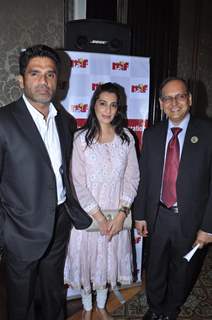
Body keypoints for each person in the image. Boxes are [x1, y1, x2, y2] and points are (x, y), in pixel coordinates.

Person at [0, 44, 92, 320]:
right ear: (21, 80)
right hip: (20, 229)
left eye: (50, 74)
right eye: (35, 73)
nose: (43, 81)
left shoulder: (66, 121)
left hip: (60, 221)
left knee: (53, 294)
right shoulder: (3, 121)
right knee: (21, 302)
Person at [134, 77, 212, 320]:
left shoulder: (208, 132)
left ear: (189, 99)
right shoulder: (152, 134)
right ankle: (156, 308)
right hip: (158, 215)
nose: (174, 102)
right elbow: (144, 177)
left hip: (191, 220)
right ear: (160, 103)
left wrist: (208, 227)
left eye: (180, 96)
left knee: (183, 270)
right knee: (155, 266)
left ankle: (170, 311)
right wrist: (139, 215)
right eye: (167, 98)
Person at [64, 82, 140, 320]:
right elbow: (77, 182)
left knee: (108, 262)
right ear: (94, 105)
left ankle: (101, 305)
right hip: (89, 217)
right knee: (88, 261)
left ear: (119, 109)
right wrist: (98, 217)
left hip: (117, 215)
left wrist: (120, 215)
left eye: (113, 105)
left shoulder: (126, 138)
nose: (107, 110)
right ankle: (87, 308)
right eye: (103, 103)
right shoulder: (79, 139)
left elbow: (133, 177)